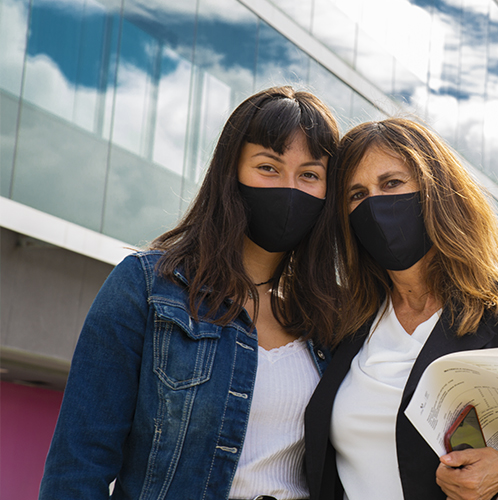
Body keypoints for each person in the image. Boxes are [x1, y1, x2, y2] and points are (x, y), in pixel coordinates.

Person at [39, 86, 340, 500]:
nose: (289, 188)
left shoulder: (330, 321)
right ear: (230, 173)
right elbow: (76, 471)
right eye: (268, 167)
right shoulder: (145, 288)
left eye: (309, 175)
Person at [304, 118, 498, 500]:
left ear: (437, 191)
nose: (374, 205)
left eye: (392, 184)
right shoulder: (345, 324)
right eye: (356, 195)